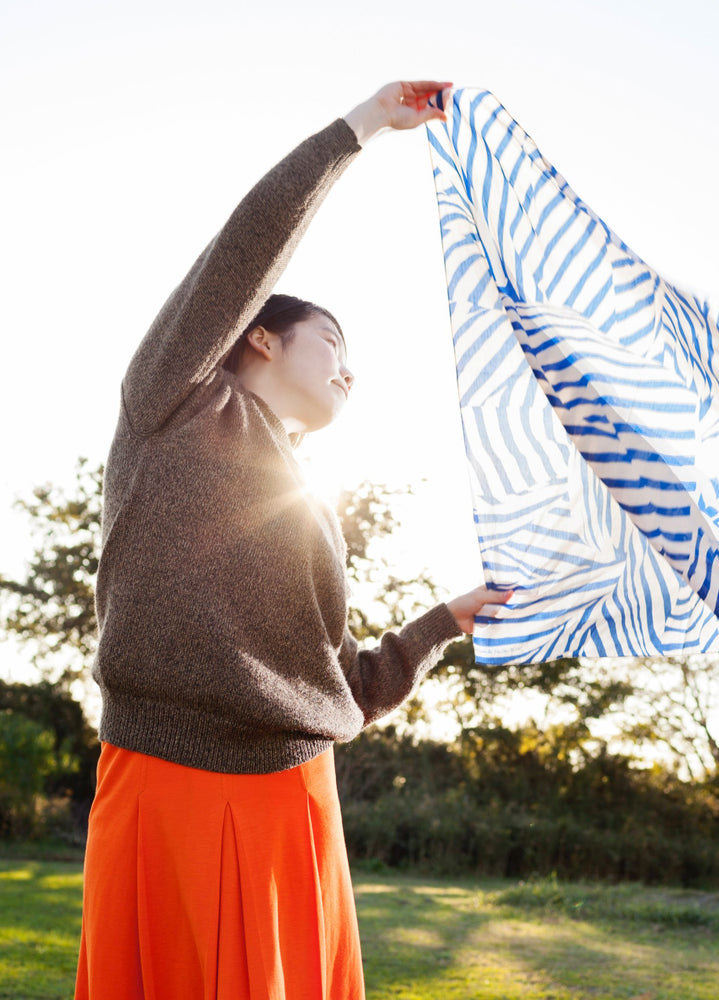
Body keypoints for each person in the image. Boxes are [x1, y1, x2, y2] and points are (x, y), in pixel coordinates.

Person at [75, 80, 510, 1000]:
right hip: (169, 783)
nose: (352, 368)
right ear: (260, 340)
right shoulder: (174, 404)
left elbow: (342, 684)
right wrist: (357, 130)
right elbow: (242, 251)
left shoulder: (307, 504)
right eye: (331, 341)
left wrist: (444, 622)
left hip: (298, 800)